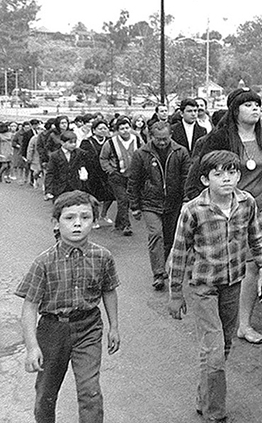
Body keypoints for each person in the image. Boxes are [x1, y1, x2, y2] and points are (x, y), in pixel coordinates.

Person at [168, 150, 262, 423]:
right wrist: (175, 293)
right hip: (204, 287)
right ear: (205, 179)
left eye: (232, 172)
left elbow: (259, 237)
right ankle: (215, 414)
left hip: (233, 284)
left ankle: (205, 399)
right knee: (213, 351)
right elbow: (179, 252)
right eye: (219, 174)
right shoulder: (193, 210)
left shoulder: (246, 202)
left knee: (224, 345)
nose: (227, 179)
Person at [16, 190, 120, 423]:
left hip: (89, 328)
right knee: (46, 393)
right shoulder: (44, 262)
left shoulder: (102, 256)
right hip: (53, 331)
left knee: (90, 391)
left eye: (85, 218)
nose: (77, 224)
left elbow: (108, 290)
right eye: (69, 218)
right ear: (56, 223)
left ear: (94, 222)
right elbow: (30, 306)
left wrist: (114, 326)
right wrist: (32, 347)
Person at [186, 88, 262, 345]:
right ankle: (219, 314)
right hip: (225, 210)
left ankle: (244, 324)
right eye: (248, 104)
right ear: (235, 110)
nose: (255, 108)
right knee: (225, 263)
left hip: (258, 207)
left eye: (257, 104)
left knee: (253, 264)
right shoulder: (219, 138)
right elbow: (198, 173)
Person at [128, 121, 191, 291]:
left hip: (174, 202)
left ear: (171, 135)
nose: (162, 142)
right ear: (151, 137)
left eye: (165, 139)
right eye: (158, 139)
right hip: (150, 202)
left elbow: (186, 177)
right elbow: (133, 180)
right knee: (156, 234)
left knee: (170, 239)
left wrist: (186, 199)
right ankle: (158, 273)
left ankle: (166, 267)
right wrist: (134, 205)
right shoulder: (141, 154)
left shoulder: (181, 152)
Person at [99, 117, 142, 236]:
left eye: (127, 128)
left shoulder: (137, 139)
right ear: (117, 130)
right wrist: (110, 170)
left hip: (133, 176)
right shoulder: (110, 143)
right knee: (123, 199)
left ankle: (119, 223)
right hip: (117, 176)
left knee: (126, 201)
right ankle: (126, 225)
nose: (125, 131)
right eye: (122, 128)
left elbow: (144, 153)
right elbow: (103, 158)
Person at [80, 119, 116, 230]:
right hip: (92, 173)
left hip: (106, 171)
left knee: (110, 195)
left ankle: (104, 214)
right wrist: (83, 169)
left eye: (105, 128)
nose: (103, 131)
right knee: (93, 198)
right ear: (94, 130)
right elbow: (81, 157)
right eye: (100, 128)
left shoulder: (110, 141)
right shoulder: (87, 142)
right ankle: (94, 218)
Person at [44, 131, 88, 199]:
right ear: (62, 142)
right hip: (59, 188)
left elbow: (87, 158)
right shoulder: (55, 155)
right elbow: (50, 173)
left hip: (75, 187)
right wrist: (48, 190)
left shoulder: (79, 153)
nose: (73, 144)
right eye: (70, 142)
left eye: (75, 142)